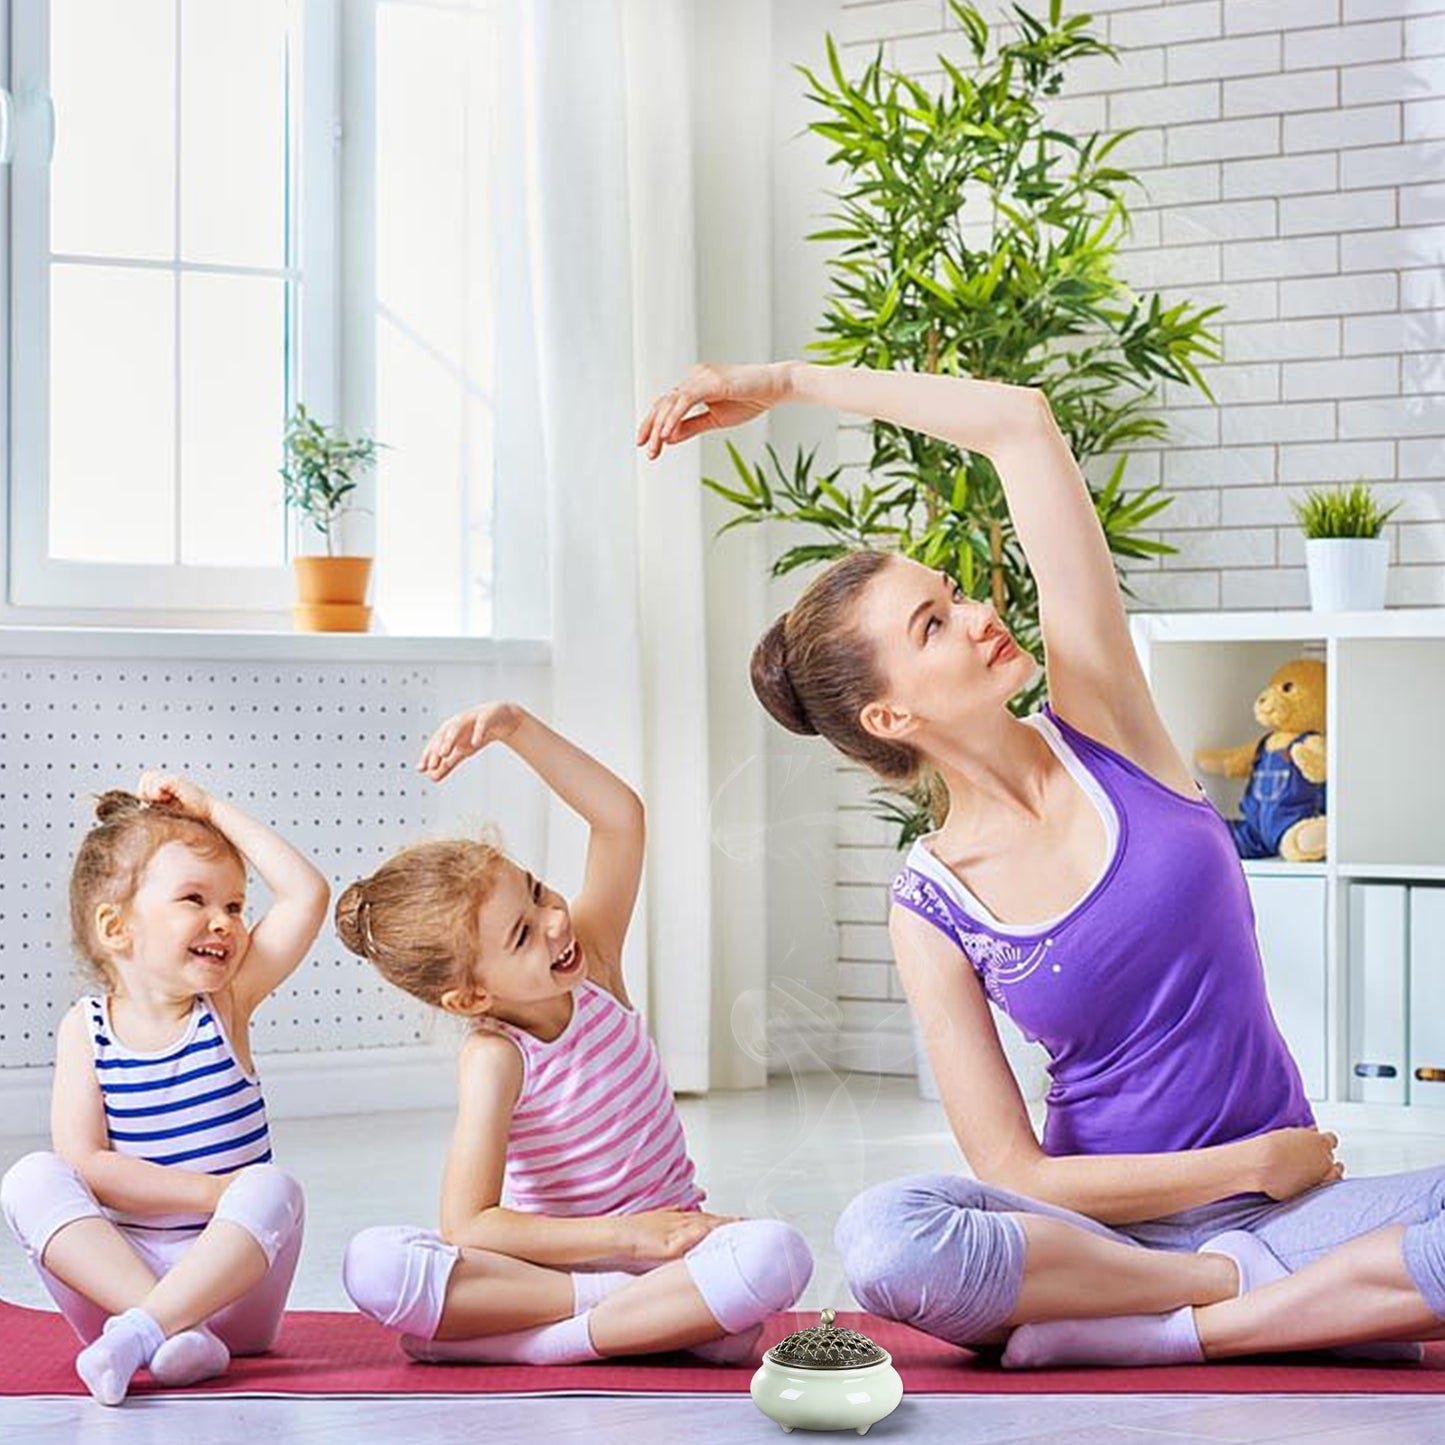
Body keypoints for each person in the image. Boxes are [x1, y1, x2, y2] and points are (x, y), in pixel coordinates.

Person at [636, 360, 1444, 1368]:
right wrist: (1246, 1161)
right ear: (892, 717)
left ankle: (1181, 1333)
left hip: (1286, 1212)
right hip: (1100, 1243)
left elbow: (1020, 423)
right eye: (933, 624)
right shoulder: (931, 902)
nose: (978, 613)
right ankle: (1259, 1303)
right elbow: (1010, 1167)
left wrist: (786, 381)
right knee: (888, 1236)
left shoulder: (1104, 727)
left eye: (953, 592)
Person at [335, 701, 811, 1365]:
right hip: (564, 1270)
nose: (554, 921)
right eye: (523, 934)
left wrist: (513, 727)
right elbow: (469, 1222)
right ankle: (615, 1316)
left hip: (669, 1251)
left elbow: (619, 818)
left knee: (776, 1254)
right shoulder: (495, 1057)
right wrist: (629, 1239)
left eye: (536, 891)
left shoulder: (595, 961)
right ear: (472, 994)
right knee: (375, 1264)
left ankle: (534, 1343)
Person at [1, 776, 330, 1404]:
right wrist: (210, 1191)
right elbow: (87, 1166)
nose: (225, 922)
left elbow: (306, 893)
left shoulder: (226, 1004)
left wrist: (213, 811)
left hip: (230, 1283)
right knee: (30, 1178)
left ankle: (149, 1331)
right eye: (195, 899)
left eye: (235, 906)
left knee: (272, 1187)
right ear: (117, 928)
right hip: (117, 1281)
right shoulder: (86, 1030)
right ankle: (166, 1331)